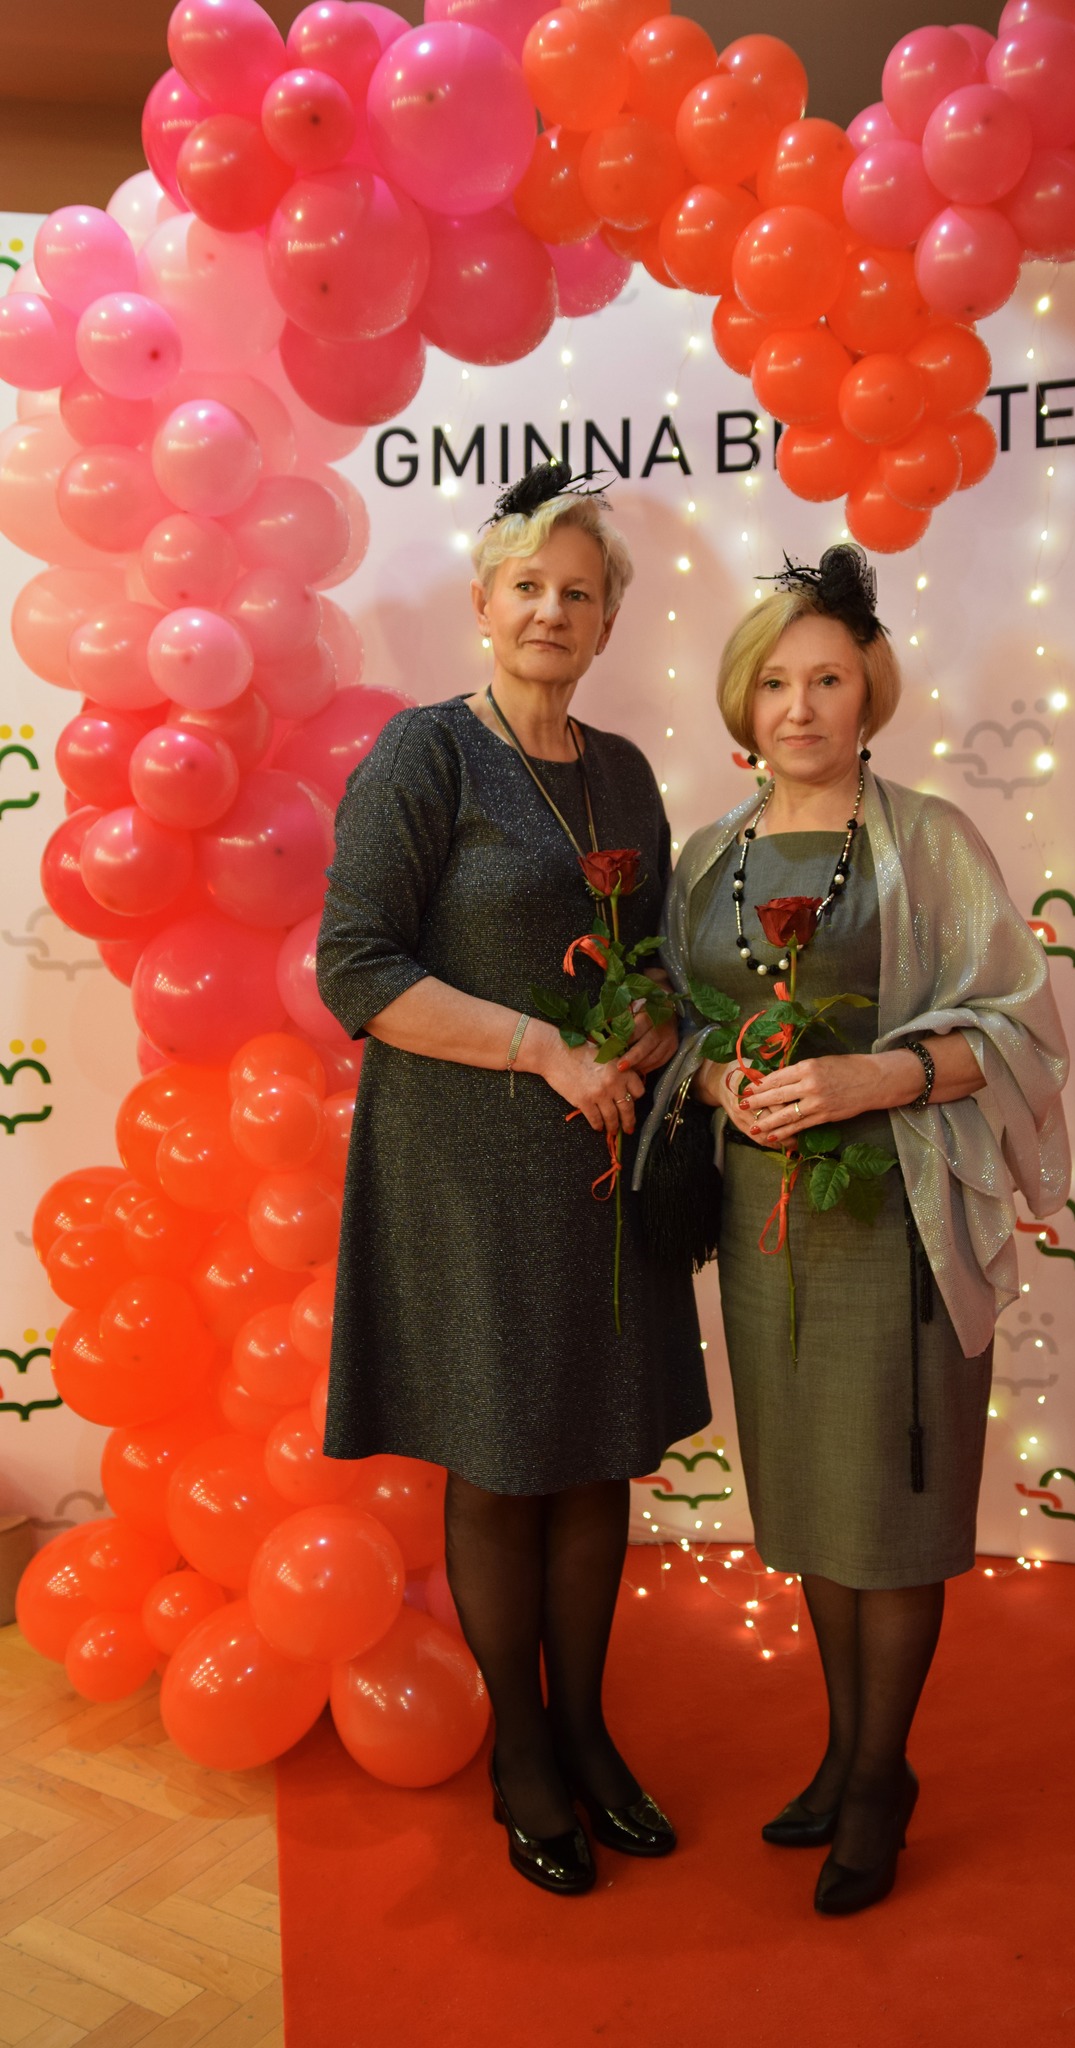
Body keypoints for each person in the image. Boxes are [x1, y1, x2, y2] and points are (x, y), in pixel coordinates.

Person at [655, 545, 1069, 1916]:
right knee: (814, 1509)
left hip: (898, 1226)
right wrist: (719, 1081)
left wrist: (872, 1078)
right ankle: (843, 1751)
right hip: (765, 1231)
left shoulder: (931, 842)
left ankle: (883, 1777)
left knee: (889, 1511)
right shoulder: (706, 858)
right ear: (743, 698)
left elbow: (1017, 1027)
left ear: (867, 693)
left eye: (828, 679)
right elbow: (680, 1026)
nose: (801, 706)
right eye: (775, 681)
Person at [316, 464, 710, 1897]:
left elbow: (654, 958)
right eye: (529, 585)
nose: (552, 610)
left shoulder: (626, 773)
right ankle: (524, 1753)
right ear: (485, 603)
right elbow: (357, 968)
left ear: (608, 622)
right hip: (467, 1167)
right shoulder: (423, 756)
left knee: (595, 1455)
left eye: (579, 592)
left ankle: (587, 1730)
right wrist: (542, 1047)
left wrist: (654, 1017)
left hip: (602, 1165)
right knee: (497, 1462)